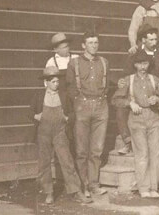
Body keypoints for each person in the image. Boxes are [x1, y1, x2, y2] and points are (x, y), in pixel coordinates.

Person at [111, 50, 159, 198]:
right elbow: (115, 100)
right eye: (139, 64)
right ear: (135, 65)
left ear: (149, 64)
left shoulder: (155, 80)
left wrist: (157, 100)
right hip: (136, 120)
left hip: (153, 119)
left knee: (155, 155)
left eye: (145, 63)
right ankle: (143, 188)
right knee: (142, 154)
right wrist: (129, 103)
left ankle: (153, 188)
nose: (142, 66)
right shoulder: (128, 80)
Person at [30, 67, 91, 204]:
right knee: (44, 162)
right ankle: (49, 192)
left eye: (57, 81)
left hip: (60, 132)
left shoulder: (63, 96)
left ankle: (76, 191)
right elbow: (29, 113)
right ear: (46, 82)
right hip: (43, 133)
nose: (56, 84)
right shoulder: (39, 96)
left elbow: (73, 113)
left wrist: (67, 117)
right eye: (53, 82)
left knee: (67, 160)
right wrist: (36, 116)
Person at [66, 31, 110, 197]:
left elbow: (106, 86)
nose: (94, 46)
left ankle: (94, 184)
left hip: (101, 106)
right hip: (82, 107)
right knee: (82, 149)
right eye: (90, 43)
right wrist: (78, 102)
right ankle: (83, 185)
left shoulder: (104, 62)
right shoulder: (74, 63)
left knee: (97, 149)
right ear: (83, 45)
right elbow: (70, 87)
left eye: (96, 43)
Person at [45, 33, 78, 114]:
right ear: (56, 49)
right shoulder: (52, 62)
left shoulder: (76, 58)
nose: (67, 49)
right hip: (61, 96)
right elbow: (47, 84)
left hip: (75, 95)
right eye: (64, 47)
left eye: (68, 46)